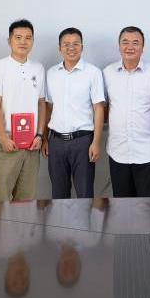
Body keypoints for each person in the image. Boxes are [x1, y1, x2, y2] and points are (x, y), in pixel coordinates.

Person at [103, 26, 150, 197]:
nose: (130, 47)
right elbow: (104, 107)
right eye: (125, 42)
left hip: (148, 151)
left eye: (135, 42)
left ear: (142, 47)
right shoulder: (107, 73)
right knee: (123, 206)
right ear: (119, 46)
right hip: (118, 151)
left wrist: (149, 123)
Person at [0, 19, 46, 202]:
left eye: (28, 37)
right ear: (9, 41)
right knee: (2, 199)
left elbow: (41, 103)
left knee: (26, 200)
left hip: (31, 145)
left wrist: (40, 135)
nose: (23, 41)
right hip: (6, 144)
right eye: (18, 37)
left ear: (33, 41)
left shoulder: (38, 68)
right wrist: (3, 138)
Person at [43, 28, 105, 199]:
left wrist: (96, 142)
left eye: (76, 44)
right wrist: (45, 138)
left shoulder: (93, 73)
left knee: (85, 195)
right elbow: (48, 108)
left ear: (82, 47)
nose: (71, 48)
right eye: (66, 44)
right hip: (55, 142)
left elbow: (99, 109)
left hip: (83, 142)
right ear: (59, 48)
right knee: (59, 195)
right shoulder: (51, 73)